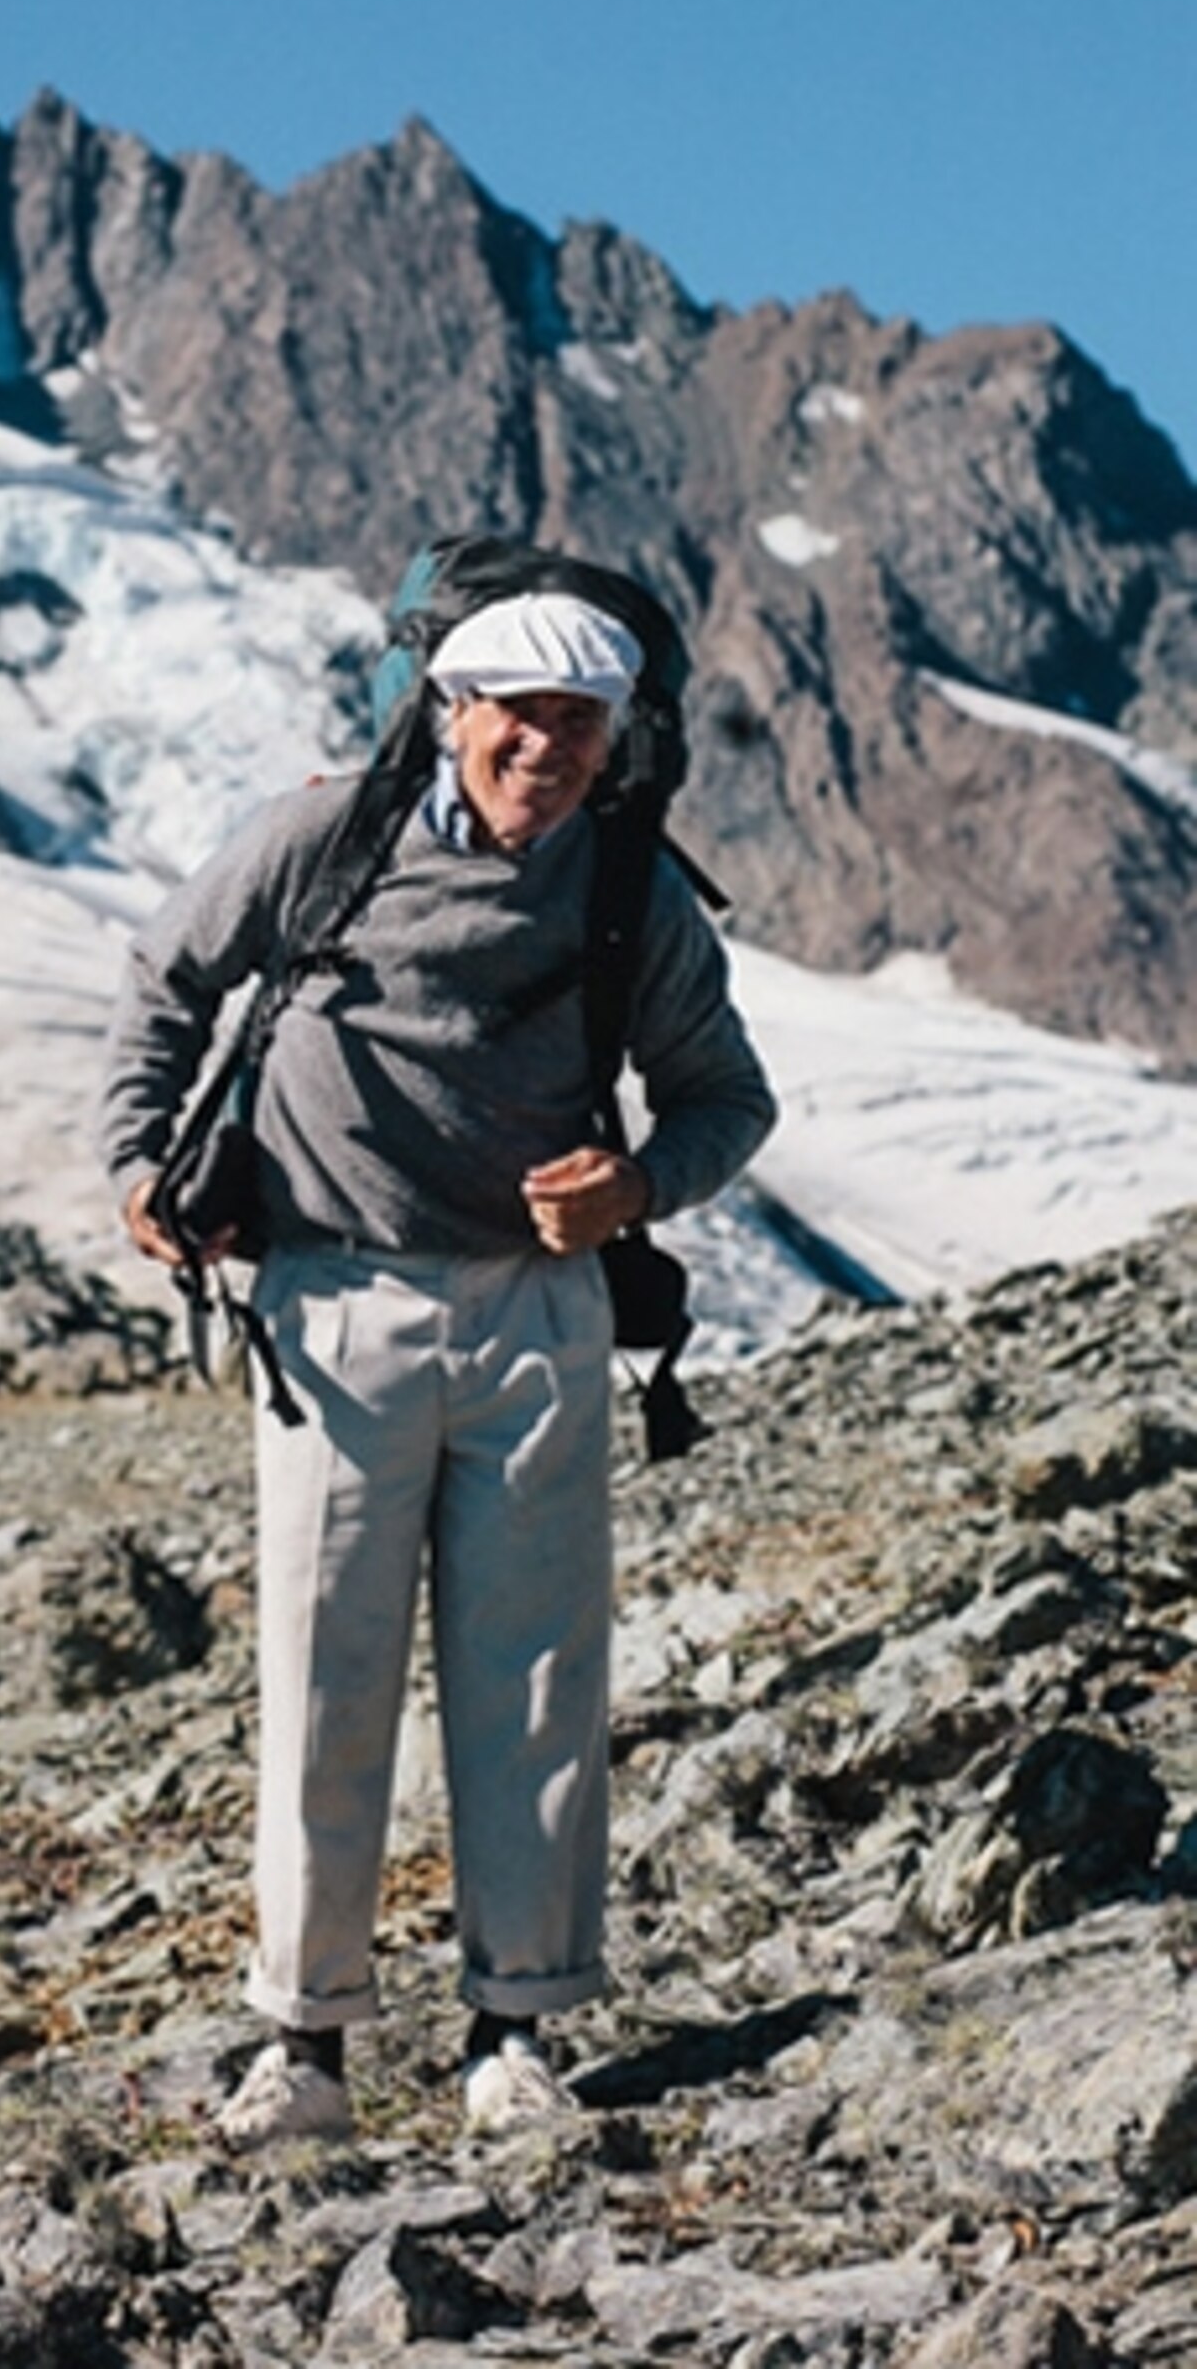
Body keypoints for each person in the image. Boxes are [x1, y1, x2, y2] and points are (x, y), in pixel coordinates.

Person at [99, 585, 776, 2148]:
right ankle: (305, 2047)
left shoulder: (631, 893)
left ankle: (515, 2032)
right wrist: (139, 1167)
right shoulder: (321, 841)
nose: (544, 745)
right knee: (324, 1674)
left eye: (579, 722)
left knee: (535, 1674)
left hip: (539, 1307)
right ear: (449, 709)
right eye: (517, 715)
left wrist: (638, 1190)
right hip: (330, 1297)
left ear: (615, 741)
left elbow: (721, 1098)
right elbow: (166, 983)